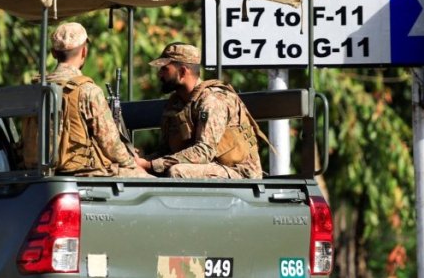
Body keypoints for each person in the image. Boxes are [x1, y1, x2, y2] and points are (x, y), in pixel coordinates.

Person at [135, 42, 265, 179]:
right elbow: (166, 151)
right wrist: (140, 161)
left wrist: (150, 165)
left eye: (164, 69)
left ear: (183, 71)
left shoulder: (213, 100)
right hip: (207, 167)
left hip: (239, 172)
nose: (159, 74)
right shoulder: (176, 104)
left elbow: (204, 152)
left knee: (178, 172)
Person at [43, 22, 152, 177]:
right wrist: (131, 163)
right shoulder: (88, 90)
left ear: (53, 53)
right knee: (150, 180)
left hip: (40, 170)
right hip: (81, 171)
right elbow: (110, 144)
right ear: (84, 51)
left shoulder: (39, 89)